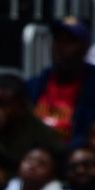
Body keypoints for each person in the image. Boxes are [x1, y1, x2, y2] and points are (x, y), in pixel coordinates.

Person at [27, 18, 95, 146]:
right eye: (58, 40)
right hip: (34, 156)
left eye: (69, 42)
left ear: (84, 48)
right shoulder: (34, 85)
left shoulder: (91, 88)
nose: (60, 47)